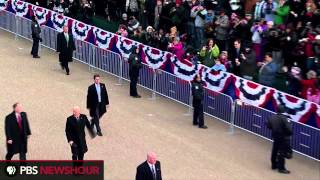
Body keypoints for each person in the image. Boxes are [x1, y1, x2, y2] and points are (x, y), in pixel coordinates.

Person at [267, 105, 293, 174]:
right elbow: (289, 129)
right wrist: (288, 134)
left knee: (274, 151)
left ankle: (273, 165)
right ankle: (281, 168)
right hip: (283, 138)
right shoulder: (285, 118)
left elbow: (269, 126)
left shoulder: (272, 117)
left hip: (275, 137)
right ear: (283, 111)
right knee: (282, 153)